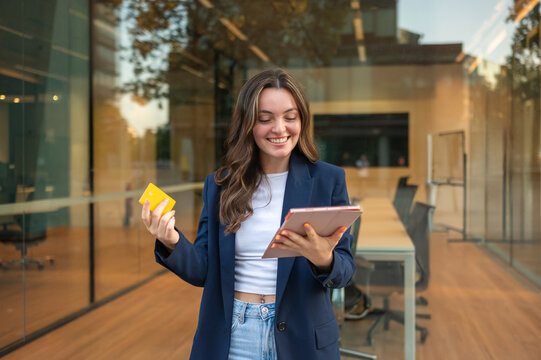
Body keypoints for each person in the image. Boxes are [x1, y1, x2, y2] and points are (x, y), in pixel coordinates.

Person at [141, 68, 355, 360]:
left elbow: (344, 272)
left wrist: (323, 258)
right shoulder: (221, 185)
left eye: (290, 117)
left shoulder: (328, 180)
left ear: (302, 121)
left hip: (302, 339)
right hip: (233, 335)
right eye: (265, 119)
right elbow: (203, 269)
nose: (280, 129)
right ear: (248, 124)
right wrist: (170, 240)